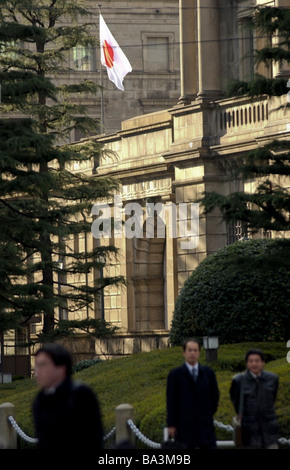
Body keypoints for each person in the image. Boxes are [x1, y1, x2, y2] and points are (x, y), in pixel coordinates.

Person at [32, 343, 104, 450]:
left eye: (43, 365)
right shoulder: (40, 399)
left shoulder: (80, 395)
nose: (37, 372)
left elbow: (92, 438)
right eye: (37, 365)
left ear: (61, 368)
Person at [166, 338, 219, 449]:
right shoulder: (175, 375)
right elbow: (171, 401)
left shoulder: (208, 373)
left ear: (199, 352)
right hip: (184, 427)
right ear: (184, 353)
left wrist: (208, 412)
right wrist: (171, 424)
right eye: (190, 350)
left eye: (195, 350)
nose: (192, 353)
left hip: (205, 426)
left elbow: (215, 396)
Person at [230, 348, 279, 449]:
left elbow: (272, 398)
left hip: (269, 430)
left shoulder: (273, 379)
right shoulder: (239, 380)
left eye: (257, 361)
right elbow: (236, 401)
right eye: (251, 361)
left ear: (263, 362)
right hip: (248, 431)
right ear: (247, 363)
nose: (254, 364)